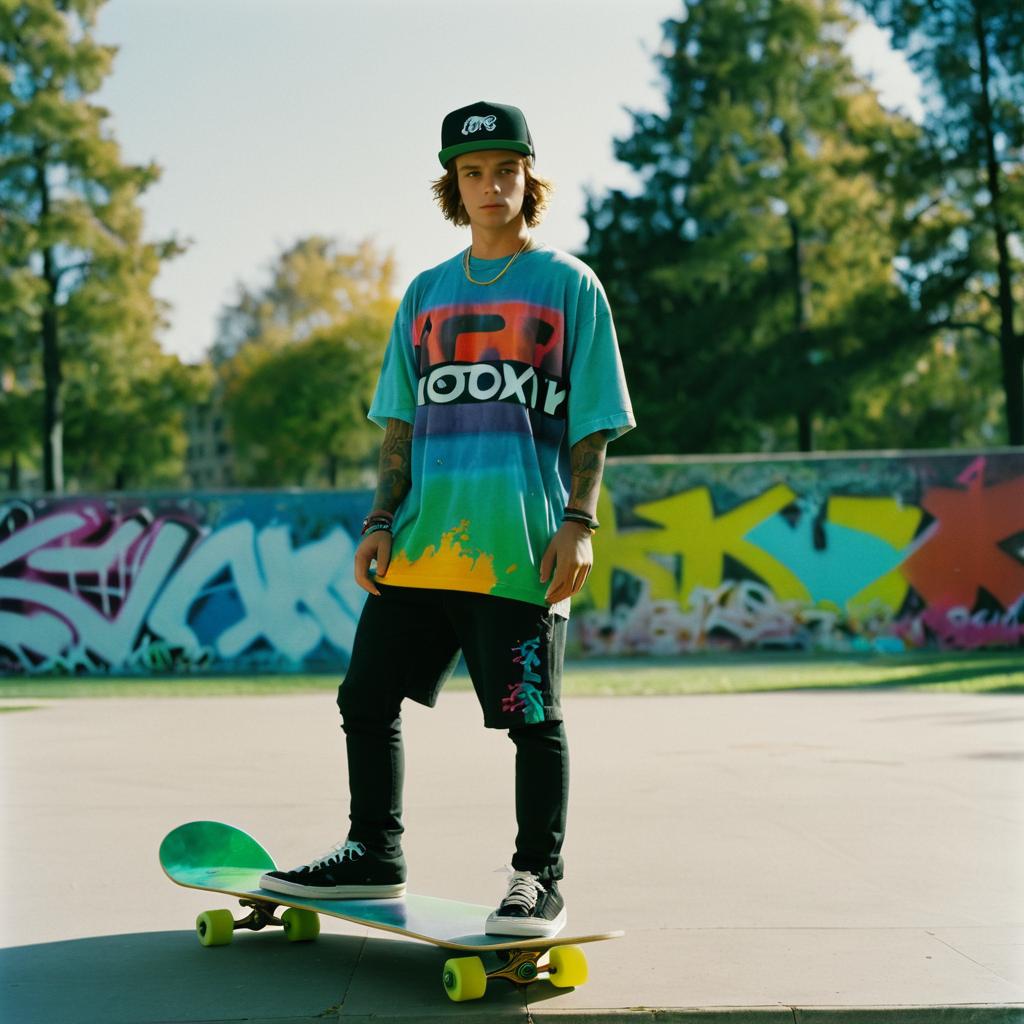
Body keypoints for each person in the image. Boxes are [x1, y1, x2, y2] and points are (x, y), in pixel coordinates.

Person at [260, 100, 634, 938]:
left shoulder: (570, 286)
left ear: (527, 179)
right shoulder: (426, 294)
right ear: (453, 186)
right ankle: (372, 852)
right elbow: (401, 424)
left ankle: (538, 877)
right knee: (365, 697)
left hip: (519, 550)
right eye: (473, 173)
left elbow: (595, 420)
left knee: (530, 719)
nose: (491, 186)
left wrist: (580, 520)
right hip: (426, 548)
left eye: (506, 170)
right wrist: (378, 520)